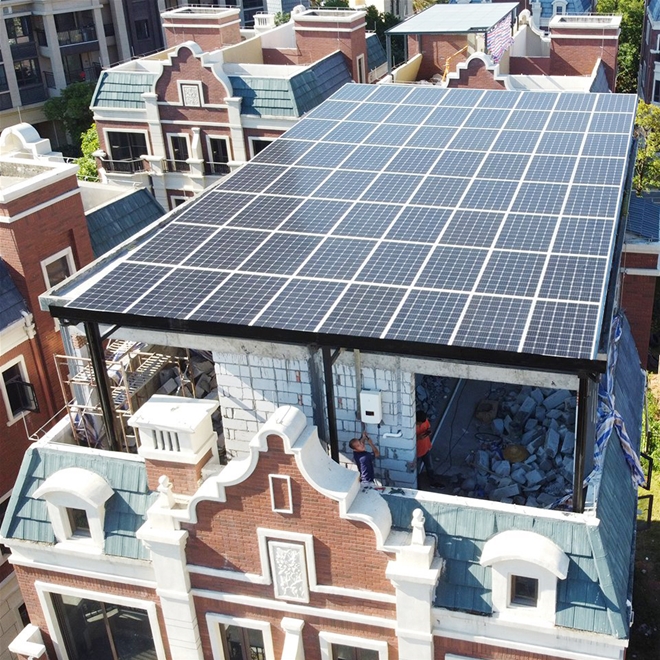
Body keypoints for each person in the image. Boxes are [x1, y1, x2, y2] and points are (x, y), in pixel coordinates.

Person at [416, 410, 435, 481]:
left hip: (426, 448)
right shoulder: (410, 427)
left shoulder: (425, 421)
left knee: (430, 467)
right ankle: (417, 483)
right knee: (415, 470)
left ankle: (432, 480)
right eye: (420, 423)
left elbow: (428, 427)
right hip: (416, 453)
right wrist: (418, 438)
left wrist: (428, 432)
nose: (421, 424)